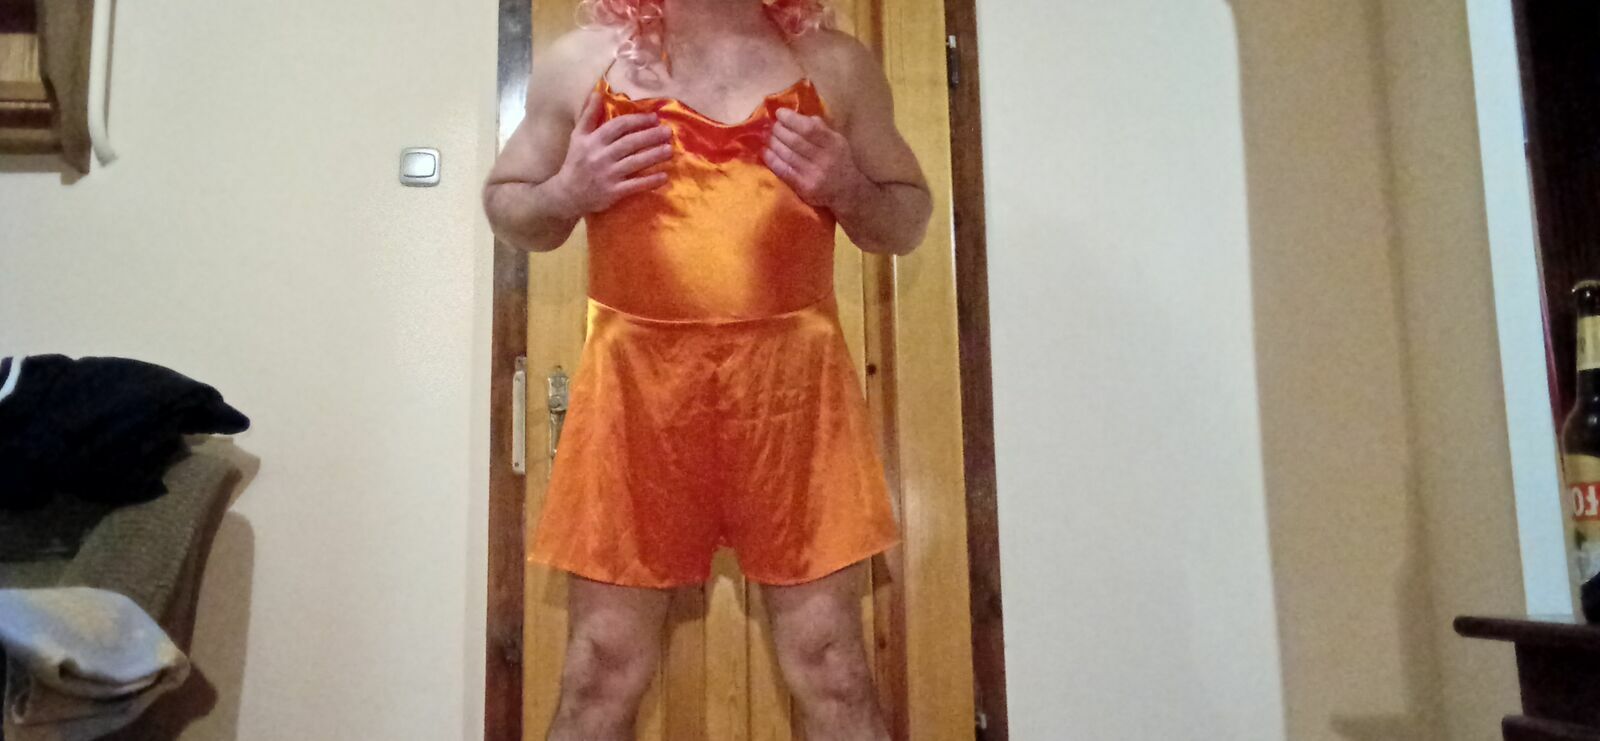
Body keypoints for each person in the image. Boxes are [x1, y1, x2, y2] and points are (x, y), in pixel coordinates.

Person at [483, 0, 930, 737]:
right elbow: (507, 204)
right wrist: (567, 192)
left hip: (793, 396)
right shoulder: (583, 63)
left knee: (833, 668)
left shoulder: (836, 66)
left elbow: (907, 220)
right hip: (636, 393)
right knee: (600, 668)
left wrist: (847, 186)